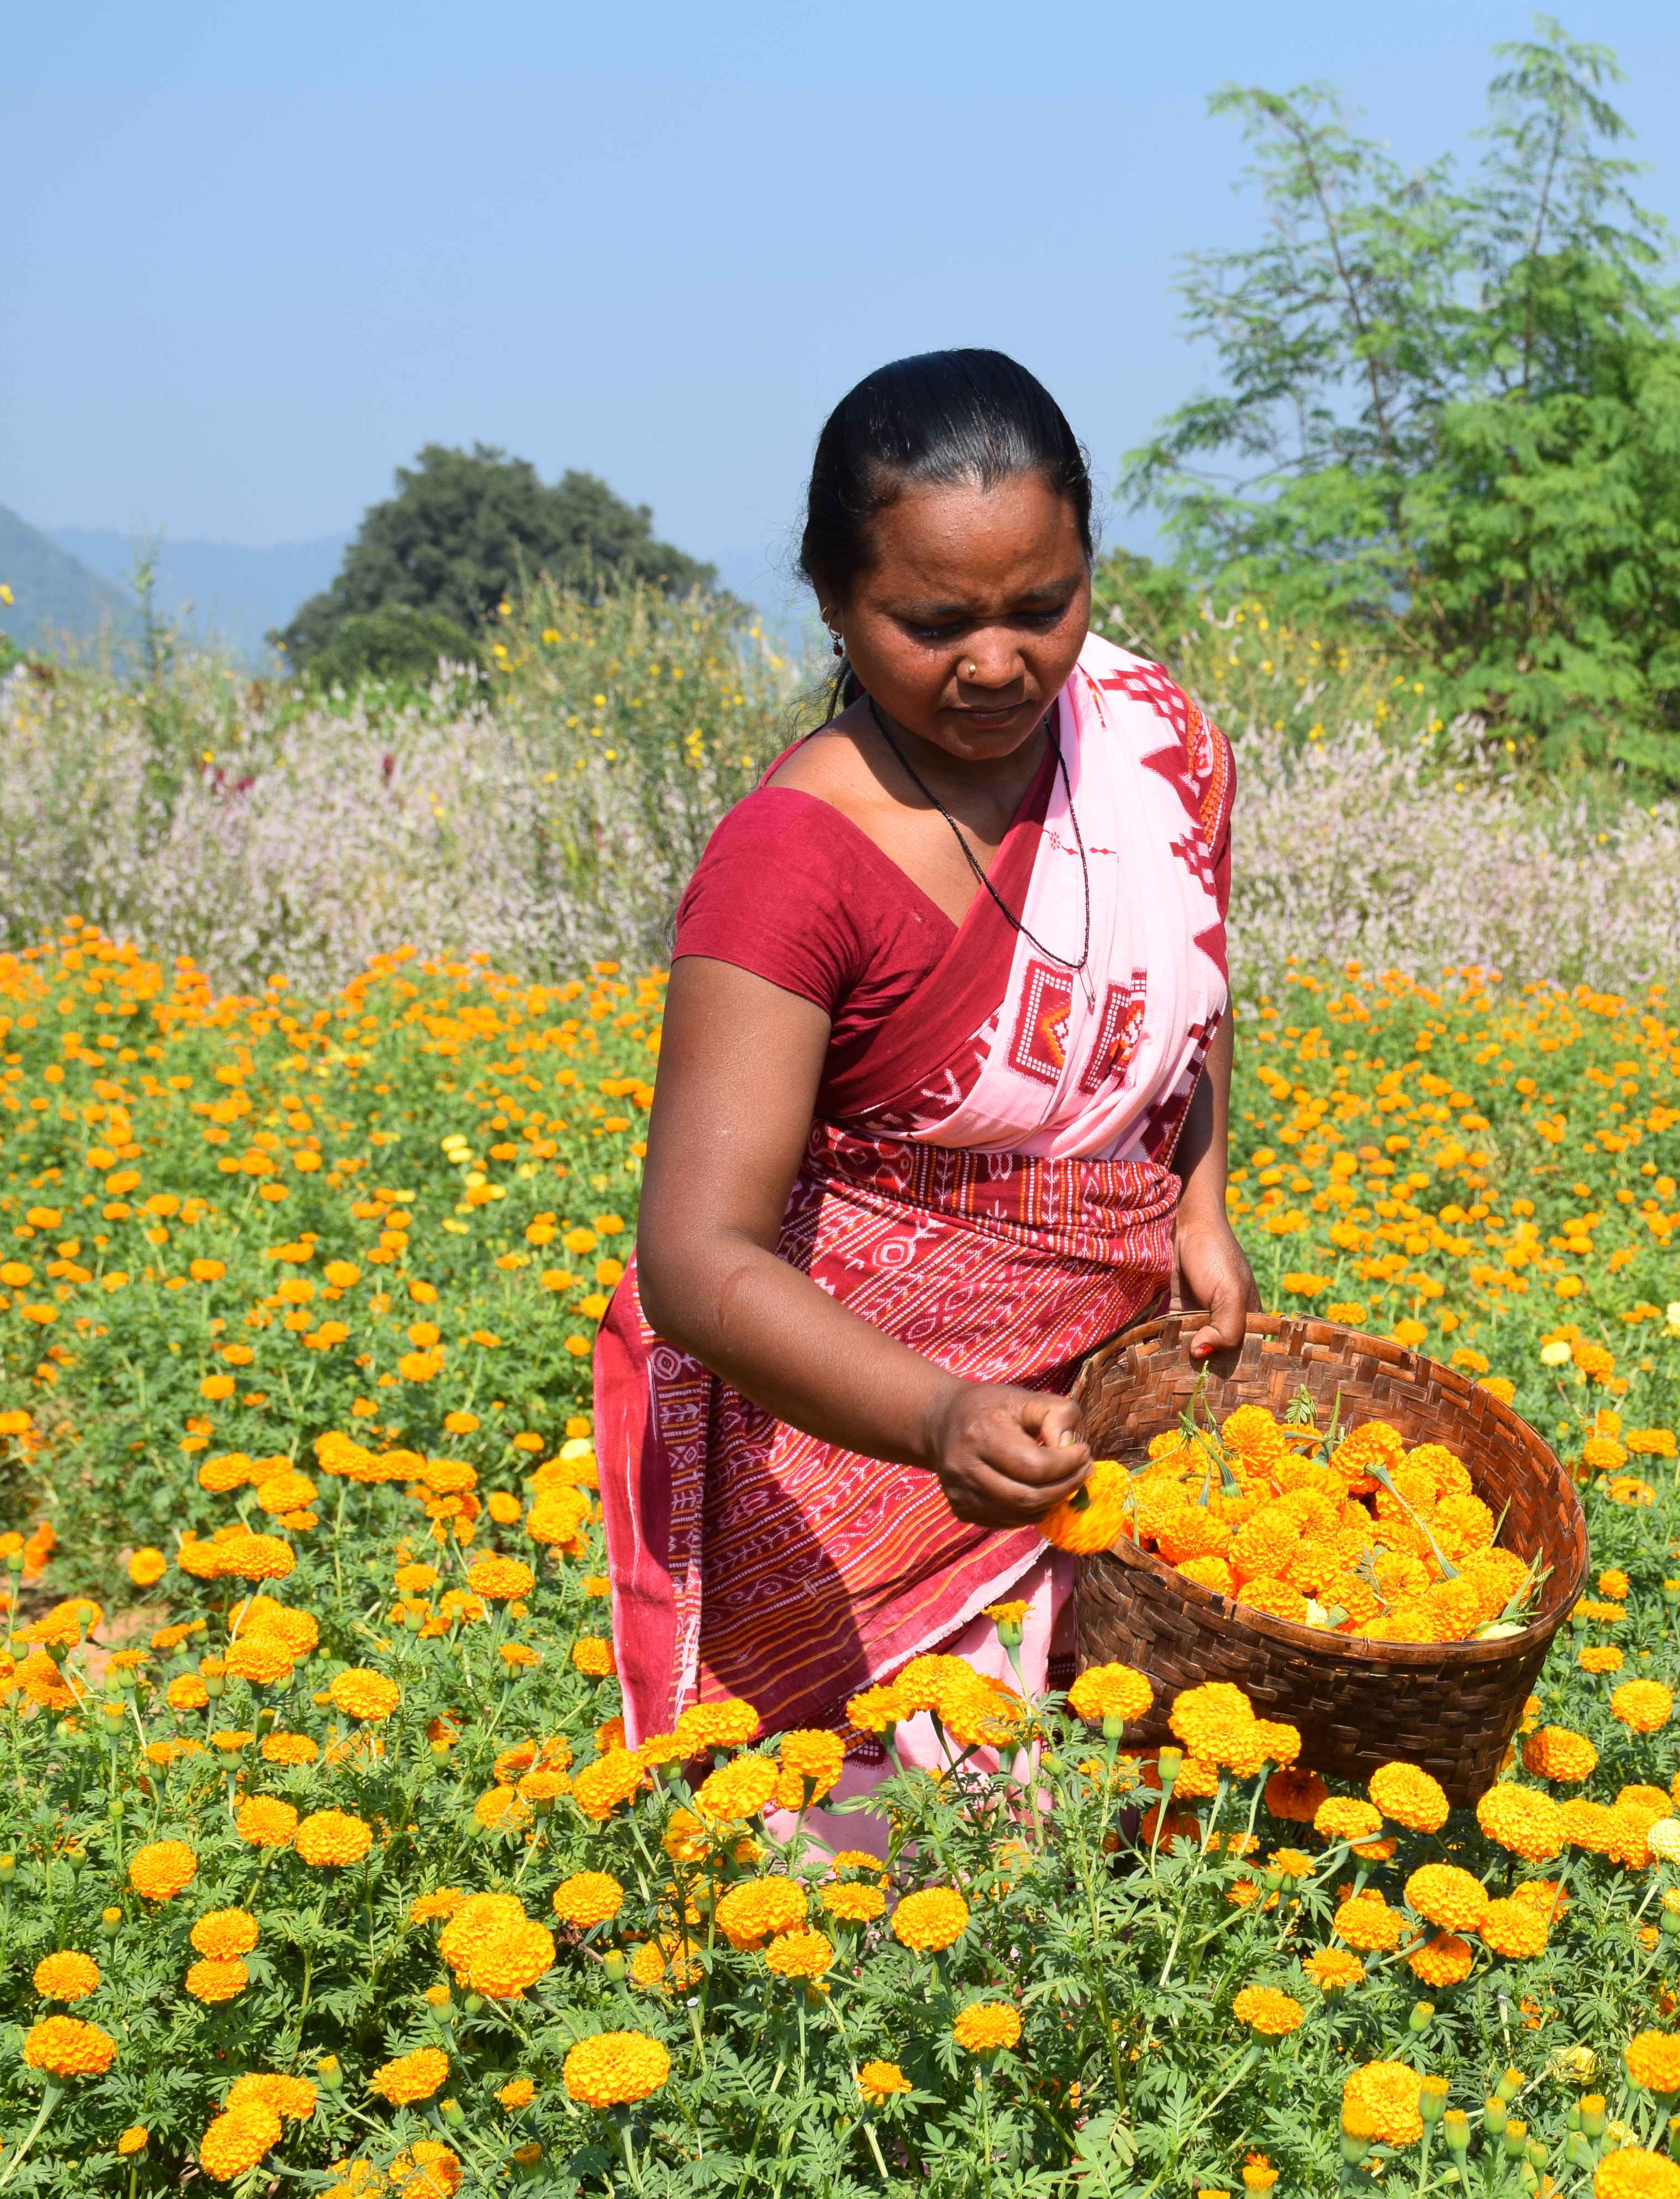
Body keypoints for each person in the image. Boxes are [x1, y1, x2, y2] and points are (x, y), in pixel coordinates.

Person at [594, 350, 1255, 1846]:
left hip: (1098, 1407)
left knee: (1113, 1857)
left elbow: (1185, 983)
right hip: (848, 1437)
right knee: (878, 1886)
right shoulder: (793, 860)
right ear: (834, 601)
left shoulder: (1151, 751)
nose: (1000, 664)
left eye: (1043, 607)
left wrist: (1198, 1205)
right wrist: (939, 1416)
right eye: (934, 624)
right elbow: (695, 1257)